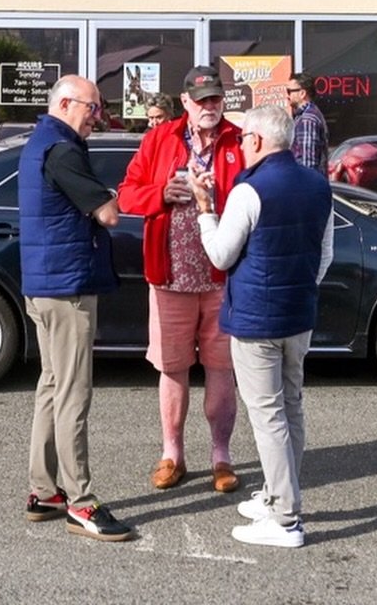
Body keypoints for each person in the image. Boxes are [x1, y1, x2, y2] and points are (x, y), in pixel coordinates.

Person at [191, 104, 334, 549]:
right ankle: (278, 495)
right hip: (299, 313)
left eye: (243, 139)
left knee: (268, 415)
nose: (240, 145)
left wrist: (203, 209)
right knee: (291, 405)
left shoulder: (249, 190)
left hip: (257, 318)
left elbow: (220, 255)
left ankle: (285, 518)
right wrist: (300, 289)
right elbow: (324, 256)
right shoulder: (318, 184)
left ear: (255, 140)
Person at [117, 66, 245, 494]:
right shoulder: (159, 138)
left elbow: (255, 198)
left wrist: (217, 197)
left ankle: (221, 456)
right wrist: (161, 195)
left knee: (222, 370)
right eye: (202, 100)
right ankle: (172, 454)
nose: (211, 107)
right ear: (186, 102)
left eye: (216, 98)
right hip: (169, 277)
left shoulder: (239, 139)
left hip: (222, 277)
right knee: (172, 370)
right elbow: (127, 194)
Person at [20, 75, 133, 543]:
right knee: (72, 394)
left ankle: (45, 491)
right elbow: (108, 214)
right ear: (66, 103)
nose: (98, 115)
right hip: (66, 288)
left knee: (52, 385)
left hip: (47, 284)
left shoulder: (41, 143)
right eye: (92, 106)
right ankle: (81, 502)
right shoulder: (62, 150)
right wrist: (138, 187)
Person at [286, 73, 329, 175]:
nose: (287, 96)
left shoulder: (307, 120)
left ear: (302, 93)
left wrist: (304, 187)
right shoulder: (306, 115)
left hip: (306, 185)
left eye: (289, 91)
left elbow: (308, 163)